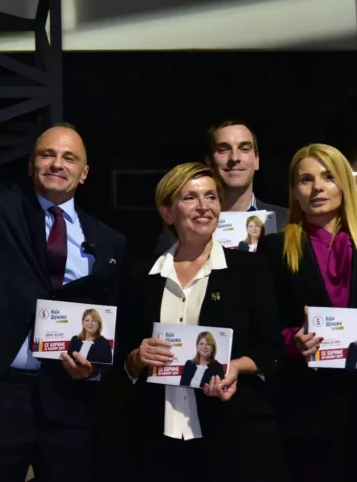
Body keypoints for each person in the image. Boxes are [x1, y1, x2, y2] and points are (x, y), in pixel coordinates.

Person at [0, 28, 127, 482]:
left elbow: (114, 318)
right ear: (32, 164)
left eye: (69, 158)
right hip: (2, 392)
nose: (57, 164)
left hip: (71, 398)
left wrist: (95, 366)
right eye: (47, 155)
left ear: (85, 172)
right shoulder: (4, 208)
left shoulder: (111, 242)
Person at [123, 162, 285, 482]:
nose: (203, 206)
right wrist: (136, 358)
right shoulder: (141, 275)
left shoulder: (250, 270)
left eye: (211, 197)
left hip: (231, 433)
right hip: (157, 437)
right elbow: (123, 357)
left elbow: (271, 349)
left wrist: (236, 367)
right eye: (190, 197)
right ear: (167, 213)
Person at [257, 143, 357, 482]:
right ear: (294, 191)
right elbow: (262, 327)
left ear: (344, 183)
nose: (317, 188)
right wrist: (292, 341)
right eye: (306, 179)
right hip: (308, 407)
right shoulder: (274, 248)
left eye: (328, 177)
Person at [156, 119, 287, 254]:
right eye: (223, 150)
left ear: (257, 160)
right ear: (209, 162)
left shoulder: (286, 221)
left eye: (244, 149)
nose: (234, 158)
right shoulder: (182, 223)